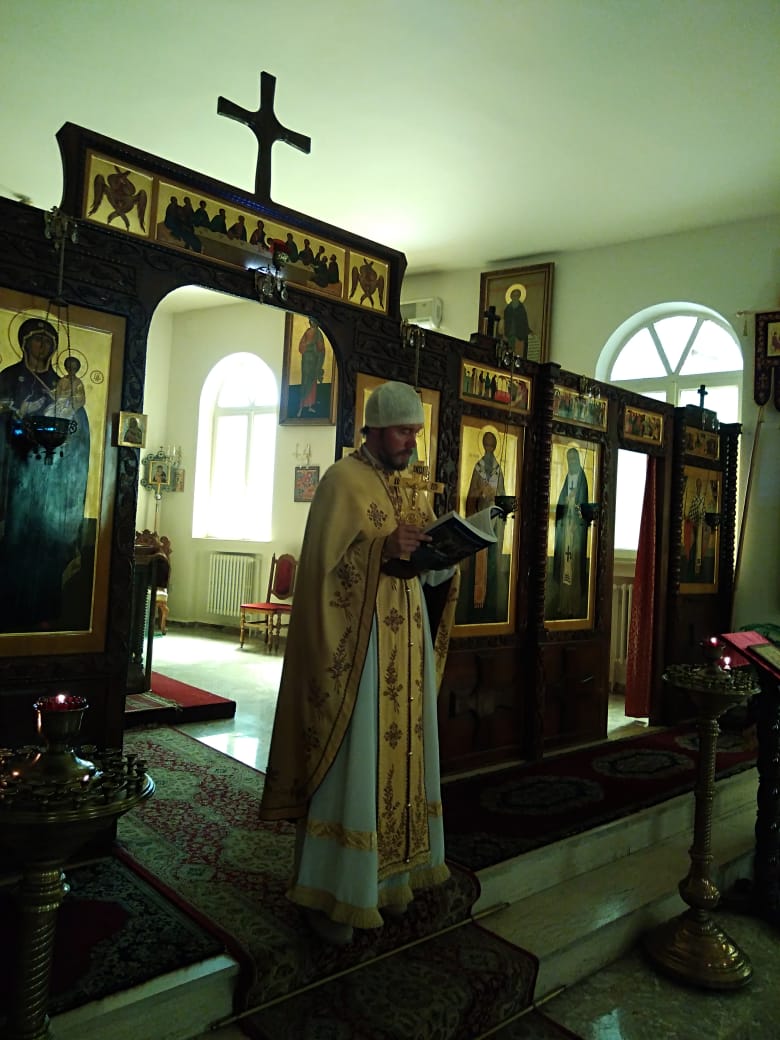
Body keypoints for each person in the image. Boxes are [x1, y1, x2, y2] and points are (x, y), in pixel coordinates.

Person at [259, 381, 460, 945]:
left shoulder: (411, 486)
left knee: (403, 757)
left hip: (407, 640)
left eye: (415, 432)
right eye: (402, 432)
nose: (411, 442)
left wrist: (447, 555)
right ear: (372, 429)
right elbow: (321, 574)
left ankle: (390, 881)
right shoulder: (341, 482)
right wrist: (381, 550)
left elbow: (424, 566)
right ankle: (331, 891)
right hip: (360, 653)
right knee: (358, 760)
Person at [0, 317, 91, 631]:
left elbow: (78, 428)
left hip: (51, 482)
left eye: (49, 342)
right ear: (24, 344)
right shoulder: (7, 378)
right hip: (14, 479)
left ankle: (44, 613)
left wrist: (71, 414)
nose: (44, 346)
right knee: (14, 543)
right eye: (38, 340)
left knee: (47, 546)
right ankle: (9, 612)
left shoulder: (60, 384)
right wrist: (15, 416)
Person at [462, 430, 506, 616]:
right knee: (477, 565)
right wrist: (480, 493)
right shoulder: (478, 468)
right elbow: (470, 496)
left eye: (491, 446)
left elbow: (506, 499)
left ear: (495, 447)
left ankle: (491, 607)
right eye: (486, 446)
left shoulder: (498, 470)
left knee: (492, 565)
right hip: (479, 524)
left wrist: (496, 495)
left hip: (494, 526)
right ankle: (474, 609)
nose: (488, 451)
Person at [551, 447, 589, 618]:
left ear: (578, 460)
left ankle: (573, 605)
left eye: (574, 459)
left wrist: (577, 517)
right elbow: (561, 503)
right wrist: (566, 502)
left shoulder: (582, 480)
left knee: (574, 568)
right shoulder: (568, 478)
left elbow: (584, 506)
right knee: (564, 566)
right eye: (569, 459)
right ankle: (563, 604)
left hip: (576, 533)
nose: (571, 462)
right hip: (566, 529)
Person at [296, 318, 326, 416]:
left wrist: (313, 348)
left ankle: (309, 406)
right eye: (311, 321)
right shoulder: (307, 332)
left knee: (312, 382)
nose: (312, 323)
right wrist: (307, 345)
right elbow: (301, 346)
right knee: (305, 382)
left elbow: (320, 348)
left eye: (313, 321)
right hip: (306, 361)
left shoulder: (318, 333)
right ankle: (301, 407)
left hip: (313, 361)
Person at [503, 285, 530, 357]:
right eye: (514, 295)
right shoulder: (508, 308)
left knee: (518, 350)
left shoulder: (521, 308)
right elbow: (505, 318)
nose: (515, 297)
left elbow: (524, 320)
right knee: (509, 347)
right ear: (511, 296)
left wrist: (528, 330)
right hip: (510, 331)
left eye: (517, 295)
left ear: (519, 297)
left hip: (519, 332)